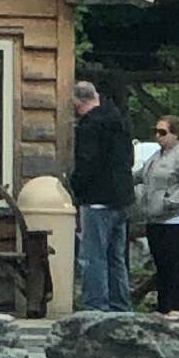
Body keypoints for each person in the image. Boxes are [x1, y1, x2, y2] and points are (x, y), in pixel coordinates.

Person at [70, 77, 135, 311]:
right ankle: (121, 306)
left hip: (97, 199)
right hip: (122, 198)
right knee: (116, 258)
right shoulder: (121, 121)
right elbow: (130, 159)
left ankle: (95, 307)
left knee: (93, 257)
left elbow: (87, 163)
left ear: (78, 102)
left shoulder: (89, 126)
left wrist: (75, 188)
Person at [131, 113, 179, 315]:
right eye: (156, 131)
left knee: (173, 263)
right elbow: (141, 175)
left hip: (175, 218)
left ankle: (175, 306)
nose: (158, 136)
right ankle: (163, 307)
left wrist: (170, 202)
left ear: (176, 135)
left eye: (162, 132)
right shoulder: (157, 155)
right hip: (155, 217)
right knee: (161, 263)